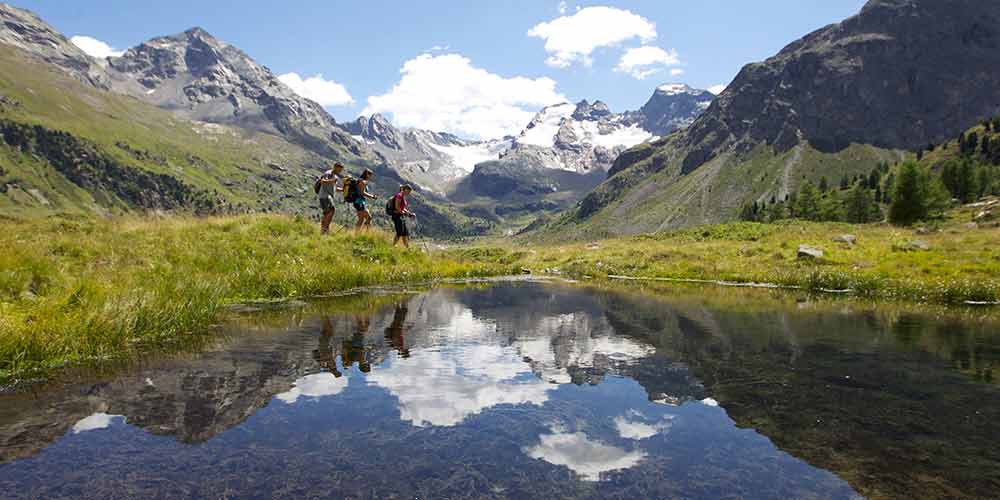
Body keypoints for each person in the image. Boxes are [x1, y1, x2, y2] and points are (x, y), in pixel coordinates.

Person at [317, 162, 345, 235]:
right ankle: (325, 230)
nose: (340, 171)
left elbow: (334, 188)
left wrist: (343, 189)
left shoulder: (334, 175)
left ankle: (323, 231)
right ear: (335, 167)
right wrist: (332, 181)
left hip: (326, 196)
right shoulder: (329, 173)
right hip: (325, 196)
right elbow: (323, 181)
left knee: (326, 213)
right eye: (340, 169)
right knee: (332, 210)